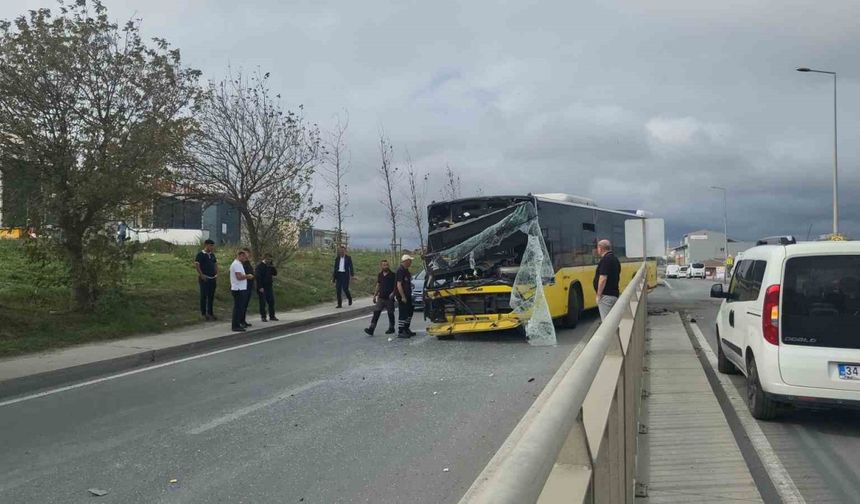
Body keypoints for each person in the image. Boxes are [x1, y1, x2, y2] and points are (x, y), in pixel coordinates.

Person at [364, 259, 396, 336]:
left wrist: (393, 293)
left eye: (387, 265)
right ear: (381, 266)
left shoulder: (393, 275)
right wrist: (374, 296)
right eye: (384, 265)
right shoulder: (380, 275)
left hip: (389, 298)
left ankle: (391, 328)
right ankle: (371, 329)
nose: (386, 266)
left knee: (390, 313)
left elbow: (396, 286)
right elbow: (378, 285)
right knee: (376, 312)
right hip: (381, 298)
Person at [593, 239, 621, 321]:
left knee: (606, 322)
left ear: (601, 248)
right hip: (614, 294)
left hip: (606, 296)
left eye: (597, 248)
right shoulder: (615, 259)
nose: (597, 250)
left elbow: (603, 278)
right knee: (613, 322)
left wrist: (599, 295)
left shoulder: (605, 260)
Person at [194, 239, 219, 321]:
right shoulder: (200, 254)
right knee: (204, 296)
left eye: (212, 246)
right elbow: (197, 265)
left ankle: (210, 312)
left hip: (212, 278)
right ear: (206, 245)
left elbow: (215, 264)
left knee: (211, 296)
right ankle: (203, 313)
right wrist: (201, 275)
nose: (212, 247)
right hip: (205, 278)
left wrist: (216, 273)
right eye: (210, 245)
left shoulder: (212, 255)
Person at [230, 249, 253, 332]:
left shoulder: (239, 264)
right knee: (237, 307)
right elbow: (239, 277)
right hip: (238, 289)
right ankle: (235, 325)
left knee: (240, 307)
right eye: (244, 256)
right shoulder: (236, 264)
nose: (245, 258)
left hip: (241, 288)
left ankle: (238, 323)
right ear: (240, 256)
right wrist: (247, 276)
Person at [395, 254, 416, 338]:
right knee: (403, 313)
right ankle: (401, 330)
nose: (411, 262)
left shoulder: (406, 271)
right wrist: (403, 296)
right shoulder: (400, 270)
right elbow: (399, 285)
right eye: (410, 261)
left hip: (408, 295)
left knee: (409, 312)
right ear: (406, 261)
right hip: (402, 296)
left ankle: (406, 328)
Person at [255, 253, 279, 322]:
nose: (269, 260)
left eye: (270, 259)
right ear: (264, 258)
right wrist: (260, 287)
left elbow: (275, 273)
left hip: (269, 286)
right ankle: (263, 316)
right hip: (262, 287)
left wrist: (272, 266)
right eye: (268, 259)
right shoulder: (260, 266)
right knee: (262, 302)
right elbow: (258, 277)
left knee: (271, 301)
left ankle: (272, 315)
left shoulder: (269, 266)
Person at [240, 247, 255, 328]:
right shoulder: (240, 264)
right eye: (244, 254)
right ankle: (240, 321)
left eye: (247, 253)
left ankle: (243, 320)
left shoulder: (248, 263)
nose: (246, 255)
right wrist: (248, 276)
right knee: (242, 305)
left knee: (245, 305)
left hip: (249, 286)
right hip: (243, 287)